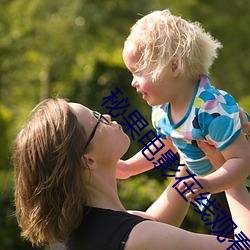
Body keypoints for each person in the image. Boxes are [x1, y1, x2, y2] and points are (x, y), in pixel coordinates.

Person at [13, 98, 250, 250]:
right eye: (97, 120)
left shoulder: (72, 235)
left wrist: (189, 141)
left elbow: (155, 222)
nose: (106, 116)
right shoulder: (138, 238)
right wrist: (228, 168)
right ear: (88, 160)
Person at [120, 9, 250, 238]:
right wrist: (129, 167)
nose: (133, 82)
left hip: (238, 183)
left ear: (173, 67)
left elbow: (241, 160)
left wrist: (208, 183)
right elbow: (167, 142)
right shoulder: (162, 109)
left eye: (138, 72)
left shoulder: (210, 108)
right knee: (160, 227)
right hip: (211, 182)